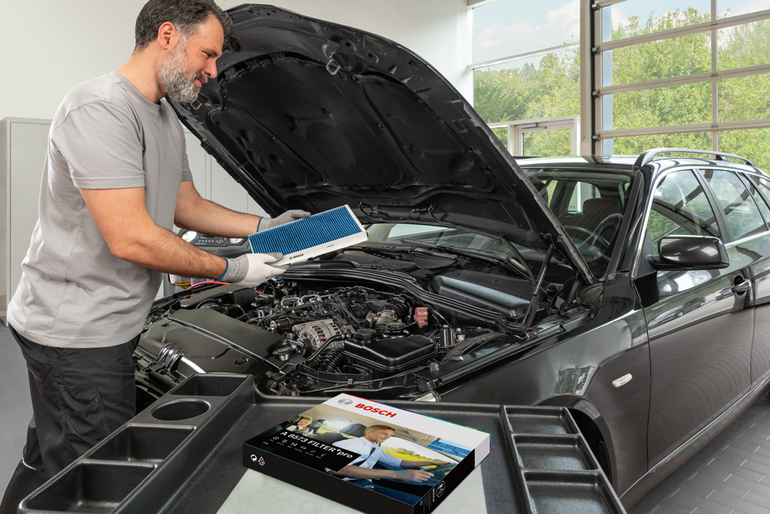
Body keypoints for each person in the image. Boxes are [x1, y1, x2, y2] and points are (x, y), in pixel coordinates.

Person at [0, 1, 309, 512]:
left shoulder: (165, 116)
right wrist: (234, 269)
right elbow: (132, 239)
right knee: (101, 483)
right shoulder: (99, 108)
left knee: (53, 446)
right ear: (167, 36)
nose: (213, 71)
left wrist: (264, 227)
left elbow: (188, 206)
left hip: (110, 318)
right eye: (207, 54)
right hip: (77, 329)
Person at [329, 424, 453, 502]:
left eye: (389, 435)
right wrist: (397, 474)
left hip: (365, 481)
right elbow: (336, 468)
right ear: (369, 432)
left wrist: (432, 462)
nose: (387, 437)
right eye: (384, 433)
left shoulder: (375, 448)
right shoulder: (349, 444)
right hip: (349, 483)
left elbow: (399, 462)